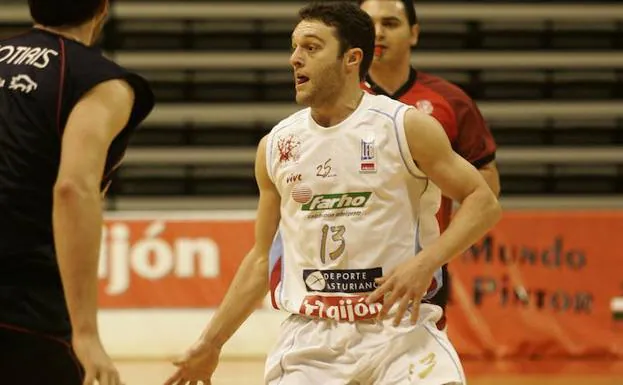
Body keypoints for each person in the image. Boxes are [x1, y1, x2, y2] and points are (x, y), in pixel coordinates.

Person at [165, 2, 500, 385]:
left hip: (401, 334)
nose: (295, 59)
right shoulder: (276, 145)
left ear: (351, 58)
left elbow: (483, 201)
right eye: (293, 47)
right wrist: (211, 342)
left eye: (311, 47)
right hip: (311, 341)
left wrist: (427, 263)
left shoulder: (406, 127)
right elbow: (261, 260)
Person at [0, 0, 154, 383]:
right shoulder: (100, 82)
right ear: (102, 10)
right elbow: (73, 188)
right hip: (24, 304)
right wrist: (86, 334)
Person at [359, 0, 501, 329]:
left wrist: (436, 254)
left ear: (414, 33)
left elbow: (486, 188)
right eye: (369, 23)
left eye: (391, 23)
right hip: (345, 272)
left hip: (421, 269)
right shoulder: (340, 101)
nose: (378, 32)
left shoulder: (451, 102)